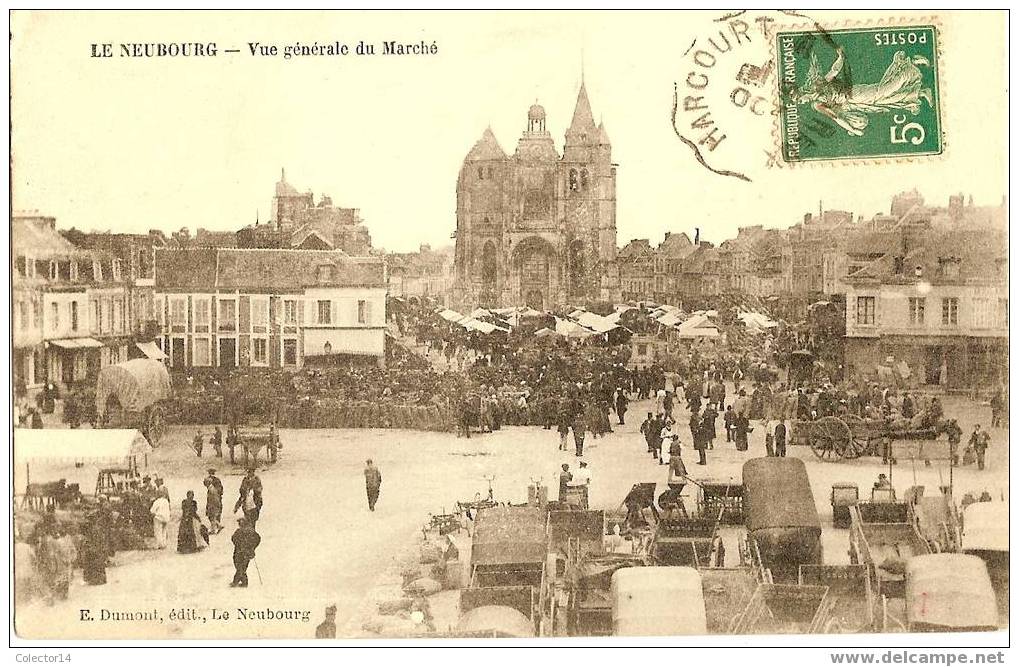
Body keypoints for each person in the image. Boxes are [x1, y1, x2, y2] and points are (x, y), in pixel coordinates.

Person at [230, 517, 261, 588]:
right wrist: (253, 547)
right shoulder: (252, 531)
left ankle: (237, 582)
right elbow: (258, 539)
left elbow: (233, 539)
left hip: (239, 551)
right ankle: (242, 582)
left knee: (239, 566)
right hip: (248, 552)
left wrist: (239, 545)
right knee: (243, 566)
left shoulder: (239, 531)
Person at [204, 469, 224, 534]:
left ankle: (216, 528)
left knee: (212, 516)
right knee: (213, 516)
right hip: (216, 500)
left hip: (214, 502)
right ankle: (217, 526)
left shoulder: (211, 488)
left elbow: (214, 496)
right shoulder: (217, 480)